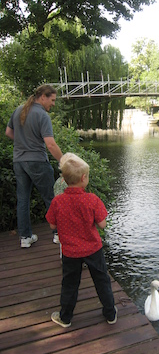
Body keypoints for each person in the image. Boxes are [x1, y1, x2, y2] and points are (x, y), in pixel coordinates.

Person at [46, 152, 117, 328]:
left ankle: (65, 317)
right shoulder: (92, 199)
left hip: (70, 252)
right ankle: (110, 314)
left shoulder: (58, 201)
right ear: (84, 178)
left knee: (70, 284)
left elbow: (52, 226)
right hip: (93, 248)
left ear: (64, 179)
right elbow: (102, 224)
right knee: (102, 280)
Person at [5, 84, 63, 248]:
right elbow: (50, 144)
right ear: (43, 97)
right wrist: (64, 161)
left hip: (19, 161)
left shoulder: (18, 110)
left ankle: (25, 237)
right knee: (50, 198)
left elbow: (8, 133)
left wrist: (23, 142)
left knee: (22, 199)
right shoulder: (42, 116)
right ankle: (58, 234)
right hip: (37, 161)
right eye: (52, 100)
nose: (53, 104)